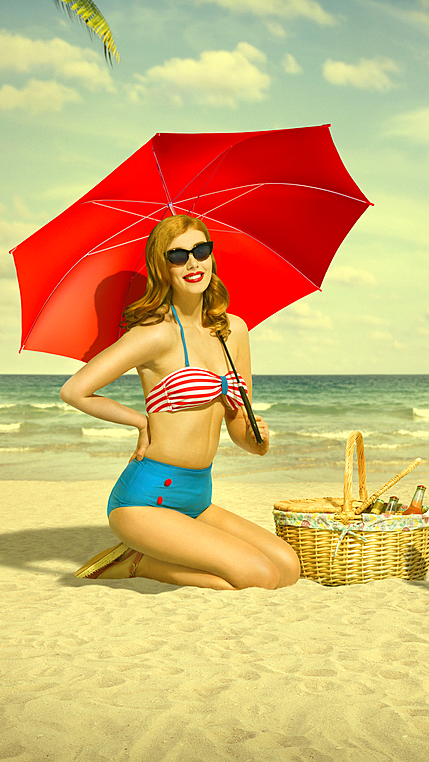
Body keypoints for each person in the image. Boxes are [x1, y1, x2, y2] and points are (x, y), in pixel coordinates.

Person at [60, 214, 301, 590]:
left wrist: (259, 438)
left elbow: (240, 432)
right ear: (162, 266)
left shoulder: (232, 330)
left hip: (196, 497)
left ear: (211, 257)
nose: (192, 263)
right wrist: (140, 423)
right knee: (257, 576)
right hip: (145, 500)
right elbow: (75, 390)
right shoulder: (155, 335)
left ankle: (148, 555)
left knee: (287, 567)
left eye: (200, 250)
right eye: (177, 256)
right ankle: (136, 562)